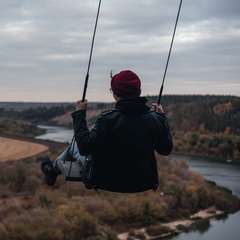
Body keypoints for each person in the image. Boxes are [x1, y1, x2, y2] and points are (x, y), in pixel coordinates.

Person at [41, 70, 173, 193]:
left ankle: (52, 171)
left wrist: (79, 114)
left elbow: (84, 147)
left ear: (116, 94)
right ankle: (54, 171)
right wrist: (162, 118)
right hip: (141, 183)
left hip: (104, 181)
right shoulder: (154, 119)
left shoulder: (108, 119)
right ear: (138, 91)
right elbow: (165, 149)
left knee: (74, 147)